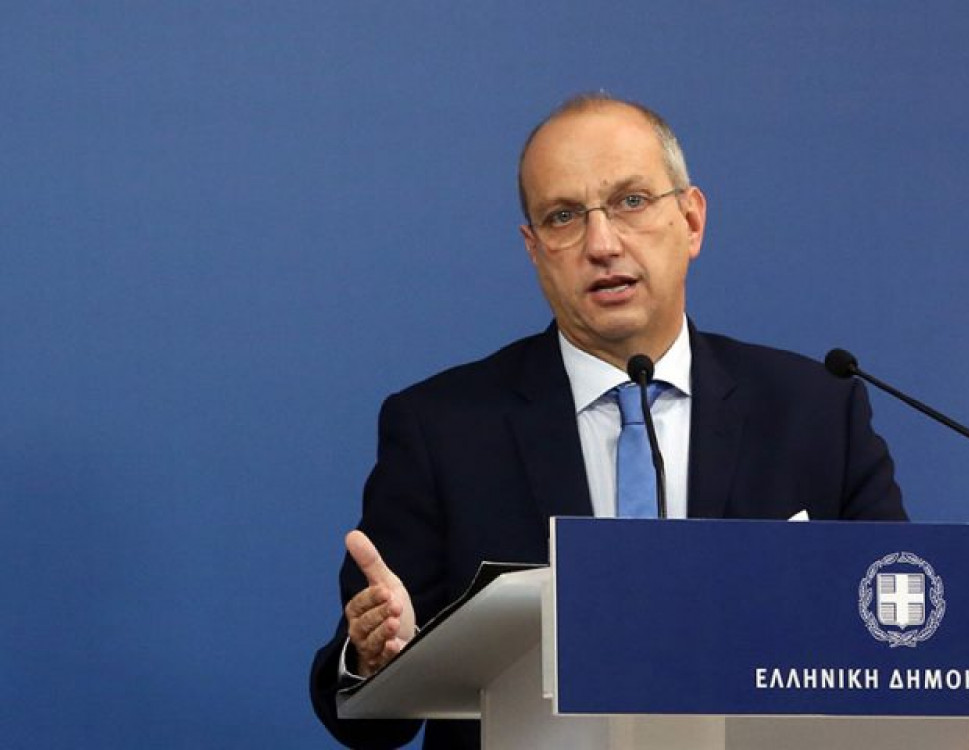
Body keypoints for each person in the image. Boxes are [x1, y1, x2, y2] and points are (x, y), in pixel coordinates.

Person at [310, 93, 907, 750]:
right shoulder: (442, 429)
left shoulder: (816, 410)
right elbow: (360, 711)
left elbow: (901, 644)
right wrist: (375, 659)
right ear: (534, 250)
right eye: (563, 216)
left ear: (691, 220)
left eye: (631, 201)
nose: (601, 244)